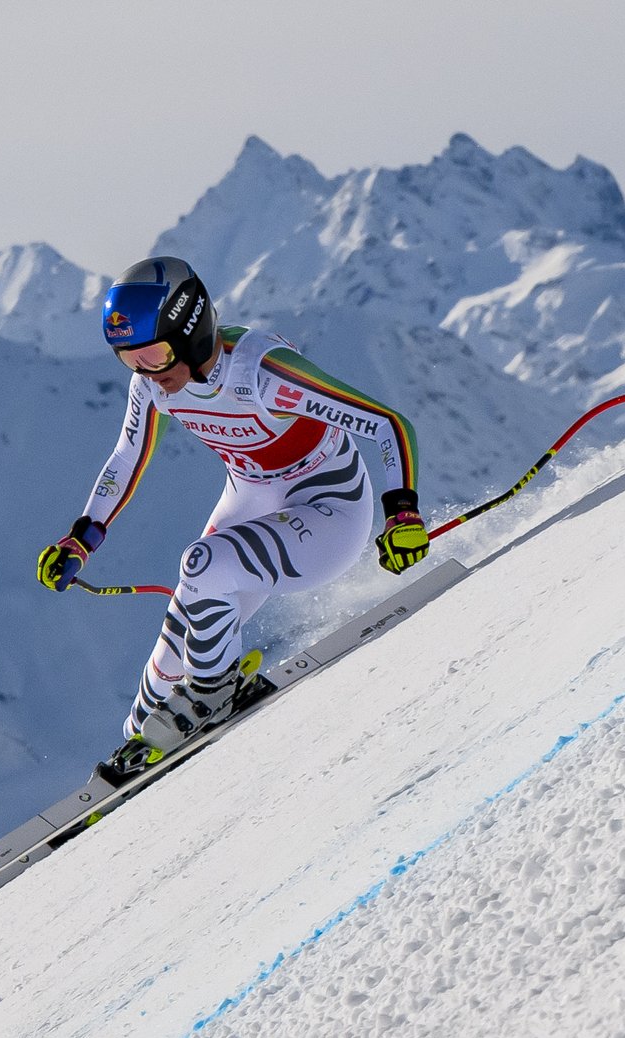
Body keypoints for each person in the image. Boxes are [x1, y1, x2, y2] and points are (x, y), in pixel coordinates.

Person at [37, 256, 428, 779]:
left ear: (191, 330)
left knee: (201, 565)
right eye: (129, 360)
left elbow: (386, 424)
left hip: (327, 509)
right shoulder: (153, 385)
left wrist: (401, 513)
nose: (147, 372)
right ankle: (137, 745)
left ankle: (213, 693)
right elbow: (126, 458)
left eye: (153, 353)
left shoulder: (263, 374)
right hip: (253, 496)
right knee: (174, 645)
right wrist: (81, 538)